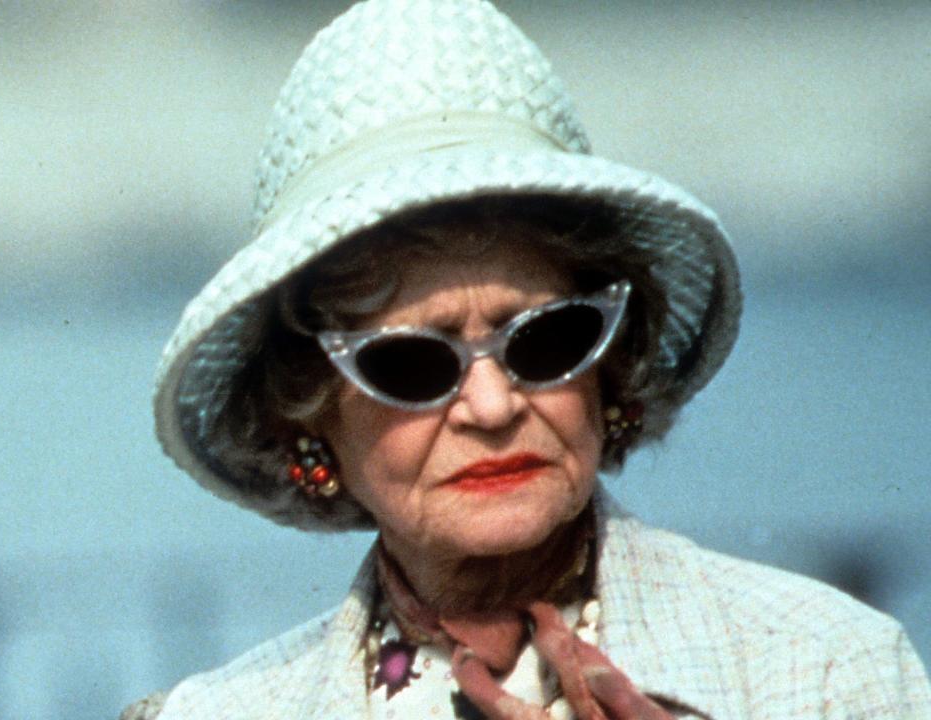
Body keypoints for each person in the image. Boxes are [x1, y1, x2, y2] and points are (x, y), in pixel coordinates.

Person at [124, 1, 931, 718]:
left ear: (610, 370)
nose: (492, 405)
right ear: (309, 413)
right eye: (410, 364)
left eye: (547, 341)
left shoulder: (831, 673)